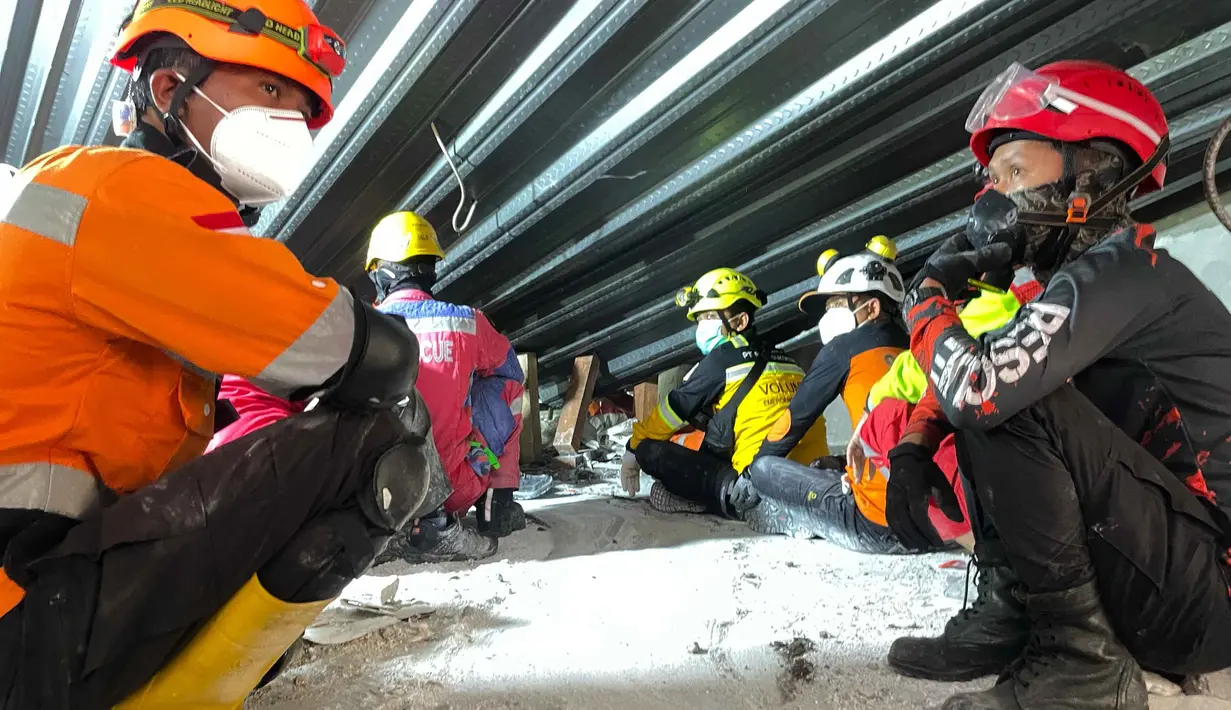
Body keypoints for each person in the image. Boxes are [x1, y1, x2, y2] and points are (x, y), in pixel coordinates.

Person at [0, 1, 441, 707]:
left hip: (32, 595)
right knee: (375, 437)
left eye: (300, 108)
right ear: (171, 90)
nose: (287, 124)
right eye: (269, 90)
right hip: (23, 610)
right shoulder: (124, 188)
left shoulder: (74, 190)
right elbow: (364, 352)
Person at [885, 60, 1231, 709]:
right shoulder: (1078, 288)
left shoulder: (1130, 268)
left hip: (1204, 601)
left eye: (1014, 171)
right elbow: (982, 367)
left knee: (997, 395)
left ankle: (1083, 667)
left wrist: (925, 298)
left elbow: (982, 385)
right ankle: (1011, 615)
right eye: (990, 180)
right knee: (994, 377)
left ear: (1092, 173)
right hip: (1170, 585)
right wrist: (911, 444)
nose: (992, 199)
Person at [733, 237, 928, 553]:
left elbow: (792, 423)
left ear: (872, 306)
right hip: (936, 522)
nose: (828, 314)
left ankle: (797, 518)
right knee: (827, 464)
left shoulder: (842, 350)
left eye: (836, 303)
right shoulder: (917, 345)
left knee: (765, 469)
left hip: (878, 526)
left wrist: (750, 475)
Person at [365, 211, 527, 561]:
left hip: (377, 492)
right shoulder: (466, 321)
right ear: (430, 268)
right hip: (454, 489)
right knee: (505, 386)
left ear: (380, 271)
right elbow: (512, 377)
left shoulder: (362, 326)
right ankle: (495, 499)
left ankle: (385, 527)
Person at [621, 268, 830, 515]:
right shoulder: (788, 361)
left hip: (754, 490)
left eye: (710, 317)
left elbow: (673, 409)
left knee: (651, 450)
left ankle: (706, 501)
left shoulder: (723, 359)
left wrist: (633, 449)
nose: (702, 326)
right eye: (700, 319)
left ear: (740, 321)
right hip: (812, 481)